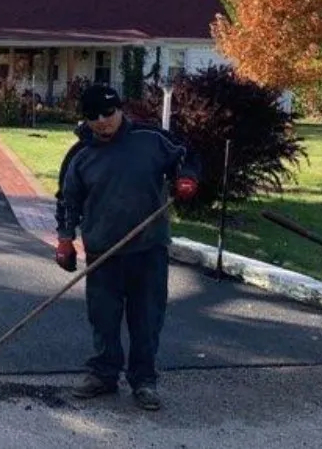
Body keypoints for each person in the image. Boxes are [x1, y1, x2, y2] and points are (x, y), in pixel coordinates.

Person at [54, 85, 201, 411]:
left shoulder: (150, 140)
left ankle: (144, 381)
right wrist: (65, 239)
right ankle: (104, 375)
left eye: (108, 113)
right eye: (94, 116)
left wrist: (187, 177)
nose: (103, 121)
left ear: (120, 109)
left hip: (149, 250)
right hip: (103, 253)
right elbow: (67, 201)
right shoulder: (79, 156)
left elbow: (186, 155)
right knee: (103, 319)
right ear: (86, 119)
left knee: (146, 320)